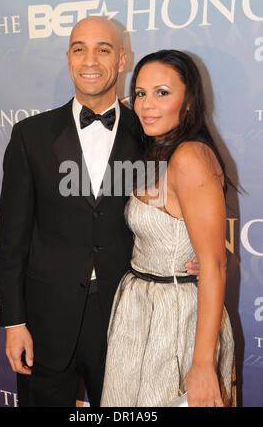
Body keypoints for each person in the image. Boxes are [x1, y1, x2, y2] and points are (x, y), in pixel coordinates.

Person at [0, 18, 199, 407]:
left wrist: (206, 256)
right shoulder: (30, 135)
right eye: (79, 48)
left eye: (103, 49)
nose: (90, 60)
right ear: (68, 57)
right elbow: (12, 240)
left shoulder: (151, 135)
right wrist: (14, 321)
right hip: (45, 320)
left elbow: (181, 212)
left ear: (122, 59)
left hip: (127, 317)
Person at [101, 50, 236, 408]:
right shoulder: (156, 151)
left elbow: (215, 264)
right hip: (139, 308)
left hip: (176, 318)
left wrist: (203, 365)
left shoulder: (191, 157)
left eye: (162, 92)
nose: (146, 104)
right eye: (141, 93)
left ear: (189, 101)